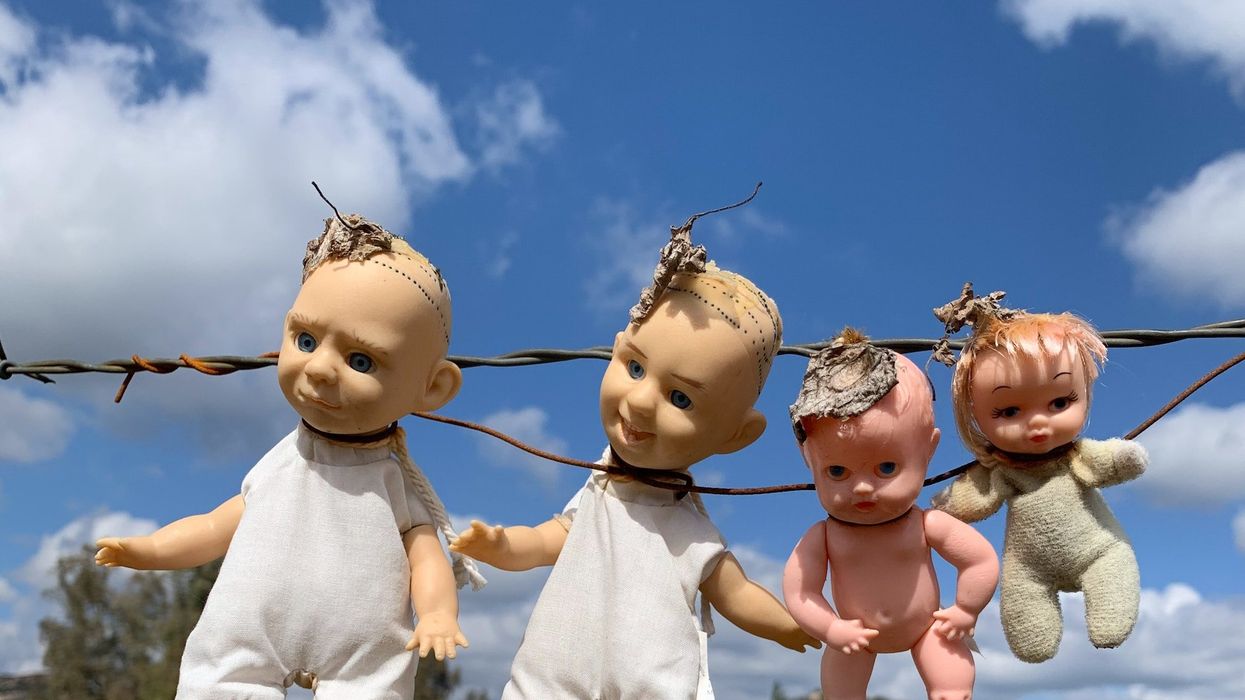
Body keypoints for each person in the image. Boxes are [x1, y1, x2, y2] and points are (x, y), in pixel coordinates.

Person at [95, 213, 481, 699]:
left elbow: (427, 558)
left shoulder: (393, 484)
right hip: (248, 632)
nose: (319, 367)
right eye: (305, 340)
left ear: (434, 387)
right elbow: (215, 526)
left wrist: (439, 613)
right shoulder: (280, 467)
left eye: (361, 360)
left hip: (363, 649)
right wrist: (148, 551)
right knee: (221, 682)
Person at [452, 224, 818, 699]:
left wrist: (790, 626)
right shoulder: (596, 497)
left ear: (736, 435)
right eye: (635, 367)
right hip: (549, 682)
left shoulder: (689, 532)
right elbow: (546, 541)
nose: (642, 402)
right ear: (617, 347)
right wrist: (501, 545)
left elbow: (738, 594)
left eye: (681, 398)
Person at [930, 284, 1147, 663]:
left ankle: (1108, 613)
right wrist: (944, 505)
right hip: (1028, 565)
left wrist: (1125, 457)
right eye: (1009, 411)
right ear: (975, 416)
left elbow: (1114, 460)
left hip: (1098, 548)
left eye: (1060, 402)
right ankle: (1035, 637)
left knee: (1114, 568)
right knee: (1027, 618)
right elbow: (972, 498)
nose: (1038, 424)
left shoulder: (1077, 456)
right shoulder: (1003, 471)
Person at [783, 330, 998, 700]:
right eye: (836, 472)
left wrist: (966, 609)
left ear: (928, 451)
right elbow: (799, 591)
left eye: (886, 468)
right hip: (852, 637)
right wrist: (831, 629)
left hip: (928, 628)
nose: (863, 488)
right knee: (841, 690)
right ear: (810, 462)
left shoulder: (925, 523)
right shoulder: (825, 535)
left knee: (952, 685)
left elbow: (979, 560)